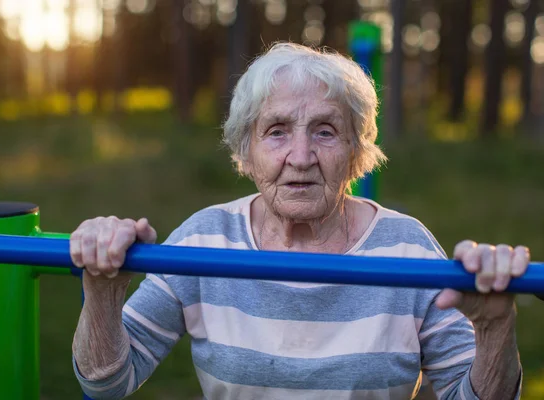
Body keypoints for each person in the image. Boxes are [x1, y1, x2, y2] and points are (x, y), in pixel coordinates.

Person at [69, 43, 531, 400]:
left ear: (357, 155)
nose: (302, 157)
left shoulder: (406, 248)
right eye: (277, 131)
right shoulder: (204, 240)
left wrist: (494, 328)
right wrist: (103, 291)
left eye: (326, 132)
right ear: (245, 153)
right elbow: (107, 385)